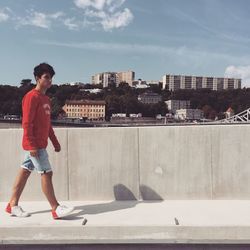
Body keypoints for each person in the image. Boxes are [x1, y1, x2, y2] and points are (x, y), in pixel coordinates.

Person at [5, 62, 74, 219]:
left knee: (24, 172)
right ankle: (55, 208)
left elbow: (47, 125)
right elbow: (27, 123)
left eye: (51, 78)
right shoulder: (31, 97)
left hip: (40, 144)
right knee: (46, 173)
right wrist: (31, 145)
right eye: (46, 77)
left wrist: (55, 142)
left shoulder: (46, 99)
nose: (49, 81)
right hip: (35, 145)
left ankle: (12, 205)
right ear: (37, 78)